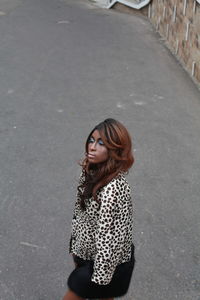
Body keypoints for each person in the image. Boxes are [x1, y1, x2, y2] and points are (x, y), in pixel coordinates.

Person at [62, 118, 135, 300]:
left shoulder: (113, 189)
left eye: (101, 143)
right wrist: (77, 247)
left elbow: (111, 238)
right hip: (87, 252)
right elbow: (81, 213)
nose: (92, 147)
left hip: (107, 262)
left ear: (116, 150)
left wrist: (99, 278)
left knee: (78, 293)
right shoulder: (91, 170)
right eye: (92, 140)